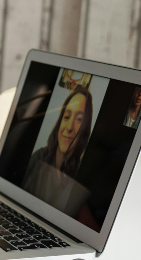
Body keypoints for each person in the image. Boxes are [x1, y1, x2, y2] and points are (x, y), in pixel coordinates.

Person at [22, 86, 93, 215]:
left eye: (79, 119)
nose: (69, 127)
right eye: (66, 116)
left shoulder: (82, 176)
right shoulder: (39, 158)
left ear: (85, 128)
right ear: (60, 120)